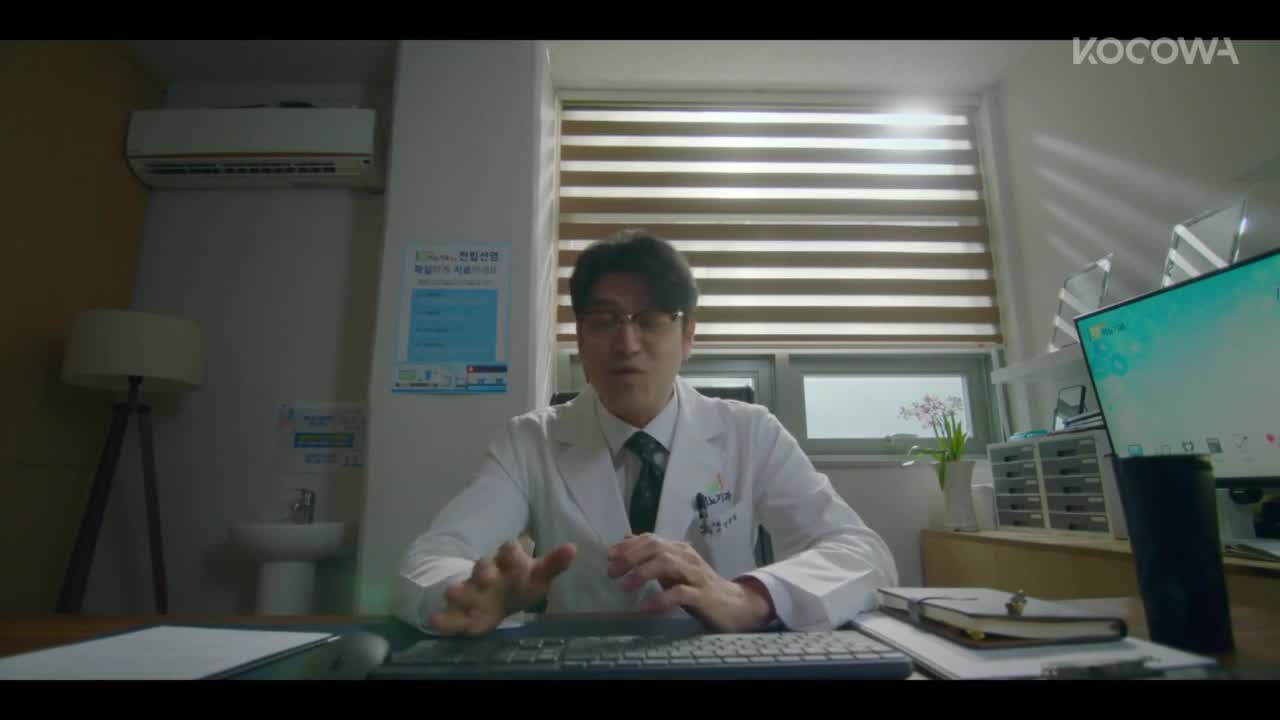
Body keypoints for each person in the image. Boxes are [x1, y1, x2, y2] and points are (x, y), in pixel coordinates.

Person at [394, 229, 898, 636]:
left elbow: (863, 555)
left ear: (688, 335)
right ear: (580, 338)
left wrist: (751, 598)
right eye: (604, 319)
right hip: (579, 670)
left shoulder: (751, 432)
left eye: (652, 319)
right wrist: (468, 594)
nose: (627, 343)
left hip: (721, 667)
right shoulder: (530, 441)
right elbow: (427, 561)